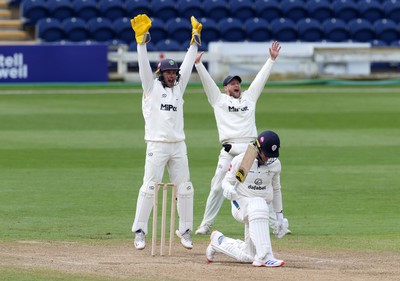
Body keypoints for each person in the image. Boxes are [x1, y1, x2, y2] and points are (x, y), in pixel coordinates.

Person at [194, 41, 290, 238]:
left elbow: (259, 80)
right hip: (229, 151)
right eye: (232, 83)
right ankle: (206, 224)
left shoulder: (249, 98)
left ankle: (277, 225)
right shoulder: (219, 100)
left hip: (251, 151)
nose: (236, 85)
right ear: (226, 88)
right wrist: (198, 65)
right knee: (217, 187)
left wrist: (271, 60)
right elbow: (208, 85)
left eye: (238, 82)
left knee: (261, 187)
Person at [129, 14, 202, 250]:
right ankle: (140, 231)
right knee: (150, 187)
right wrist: (141, 43)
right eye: (169, 73)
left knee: (186, 189)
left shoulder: (178, 88)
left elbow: (189, 65)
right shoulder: (150, 87)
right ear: (161, 74)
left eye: (174, 73)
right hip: (157, 145)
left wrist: (194, 42)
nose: (172, 75)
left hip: (179, 145)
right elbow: (143, 68)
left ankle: (185, 231)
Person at [206, 130, 286, 267]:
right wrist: (228, 189)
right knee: (259, 204)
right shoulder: (241, 160)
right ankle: (265, 256)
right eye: (266, 154)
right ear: (258, 149)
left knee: (248, 255)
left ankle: (218, 241)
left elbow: (276, 189)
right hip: (240, 204)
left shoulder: (275, 165)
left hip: (259, 212)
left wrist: (279, 216)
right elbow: (226, 182)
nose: (268, 158)